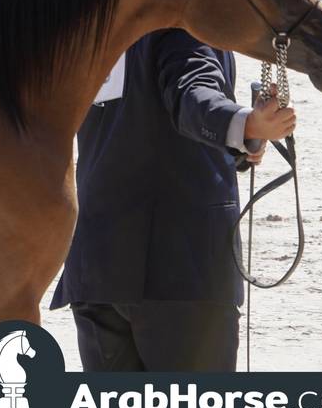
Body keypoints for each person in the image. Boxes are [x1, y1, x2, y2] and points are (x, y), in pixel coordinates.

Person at [51, 30, 298, 372]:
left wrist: (245, 137)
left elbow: (133, 120)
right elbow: (191, 93)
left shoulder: (98, 28)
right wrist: (245, 124)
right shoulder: (185, 22)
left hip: (97, 262)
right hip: (181, 266)